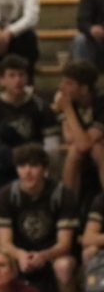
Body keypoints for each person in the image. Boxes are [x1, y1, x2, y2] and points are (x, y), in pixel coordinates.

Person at [0, 143, 79, 292]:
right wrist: (21, 255)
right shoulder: (6, 194)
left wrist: (43, 256)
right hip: (19, 254)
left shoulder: (62, 194)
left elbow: (65, 244)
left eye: (34, 166)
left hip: (53, 253)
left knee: (63, 267)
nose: (28, 172)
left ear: (44, 168)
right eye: (22, 166)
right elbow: (4, 242)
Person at [0, 54, 60, 198]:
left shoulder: (41, 107)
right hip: (1, 167)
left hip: (33, 165)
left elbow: (52, 149)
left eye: (21, 75)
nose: (17, 80)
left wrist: (41, 168)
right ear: (2, 80)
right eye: (11, 76)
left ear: (27, 78)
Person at [52, 59, 104, 208]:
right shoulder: (70, 102)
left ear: (84, 89)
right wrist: (68, 110)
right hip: (85, 156)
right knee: (74, 151)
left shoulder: (101, 103)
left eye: (68, 83)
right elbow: (69, 138)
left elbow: (84, 144)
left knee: (97, 149)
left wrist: (67, 109)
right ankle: (68, 210)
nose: (61, 88)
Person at [71, 0, 104, 72]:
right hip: (100, 43)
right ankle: (82, 83)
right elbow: (82, 21)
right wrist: (92, 29)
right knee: (81, 41)